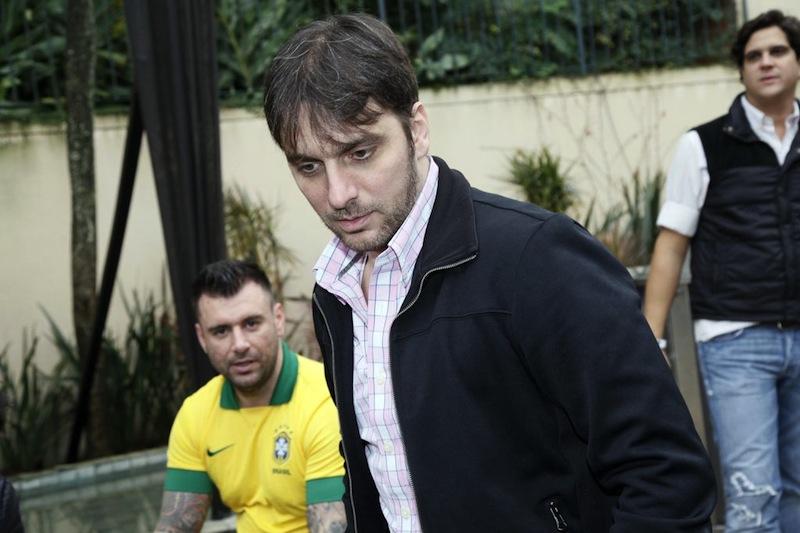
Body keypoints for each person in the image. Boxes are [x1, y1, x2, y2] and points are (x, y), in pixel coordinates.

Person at [263, 13, 716, 533]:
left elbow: (666, 478)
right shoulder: (335, 291)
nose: (338, 193)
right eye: (309, 166)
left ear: (416, 128)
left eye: (360, 152)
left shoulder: (536, 257)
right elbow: (379, 474)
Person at [643, 9, 800, 533]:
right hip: (736, 338)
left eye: (777, 51)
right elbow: (671, 246)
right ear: (741, 70)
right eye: (753, 56)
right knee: (754, 493)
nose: (766, 62)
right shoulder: (702, 145)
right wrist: (650, 338)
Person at [154, 260, 347, 533]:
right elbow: (175, 525)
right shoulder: (196, 413)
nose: (239, 345)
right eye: (221, 331)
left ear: (278, 319)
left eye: (251, 324)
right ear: (202, 338)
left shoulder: (326, 400)